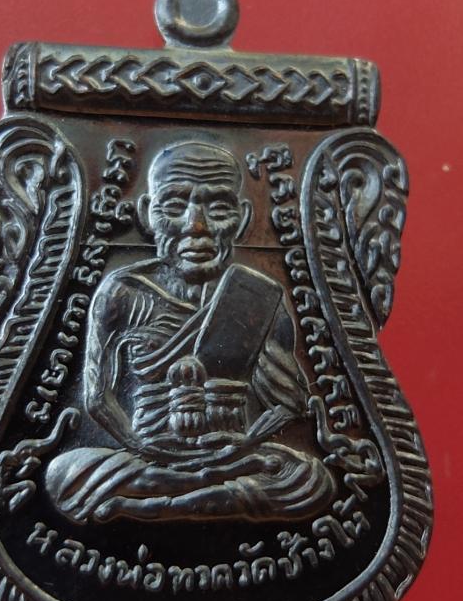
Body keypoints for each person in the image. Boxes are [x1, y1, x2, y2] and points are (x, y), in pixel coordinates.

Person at [45, 141, 335, 523]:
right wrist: (143, 446)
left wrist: (243, 444)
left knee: (310, 479)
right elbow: (96, 398)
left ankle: (151, 504)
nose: (196, 227)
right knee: (64, 475)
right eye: (174, 206)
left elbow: (289, 402)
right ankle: (202, 493)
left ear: (243, 218)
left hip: (231, 452)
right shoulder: (122, 291)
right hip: (148, 454)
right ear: (147, 214)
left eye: (218, 209)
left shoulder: (257, 296)